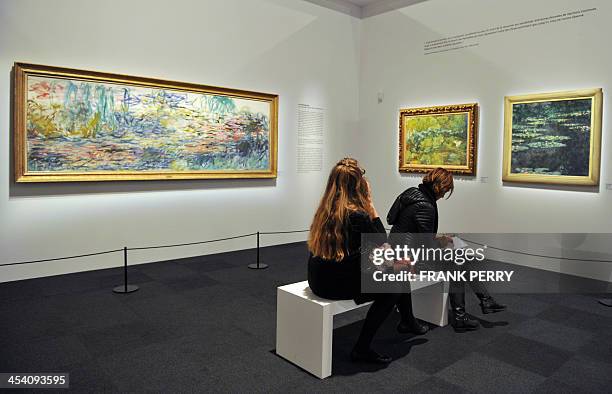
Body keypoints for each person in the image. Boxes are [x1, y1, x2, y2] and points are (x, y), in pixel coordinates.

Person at [307, 158, 428, 365]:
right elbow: (384, 245)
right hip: (336, 284)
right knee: (394, 287)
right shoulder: (358, 215)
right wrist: (371, 205)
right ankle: (362, 348)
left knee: (398, 270)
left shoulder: (326, 208)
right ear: (358, 184)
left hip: (318, 278)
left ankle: (408, 320)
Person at [387, 168, 506, 332]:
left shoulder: (411, 194)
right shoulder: (426, 206)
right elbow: (426, 244)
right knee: (457, 261)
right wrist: (442, 241)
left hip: (399, 252)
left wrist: (440, 240)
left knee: (457, 257)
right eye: (446, 190)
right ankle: (467, 312)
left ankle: (481, 303)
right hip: (408, 260)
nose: (444, 195)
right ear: (440, 187)